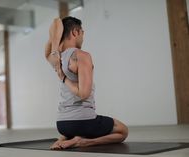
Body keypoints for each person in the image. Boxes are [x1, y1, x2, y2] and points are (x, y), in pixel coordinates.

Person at [45, 17, 128, 150]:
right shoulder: (82, 55)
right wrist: (64, 79)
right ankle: (82, 141)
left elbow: (55, 22)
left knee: (76, 127)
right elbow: (84, 94)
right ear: (75, 32)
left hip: (62, 125)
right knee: (123, 131)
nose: (83, 36)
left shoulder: (55, 59)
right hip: (84, 122)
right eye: (82, 32)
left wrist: (55, 48)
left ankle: (66, 137)